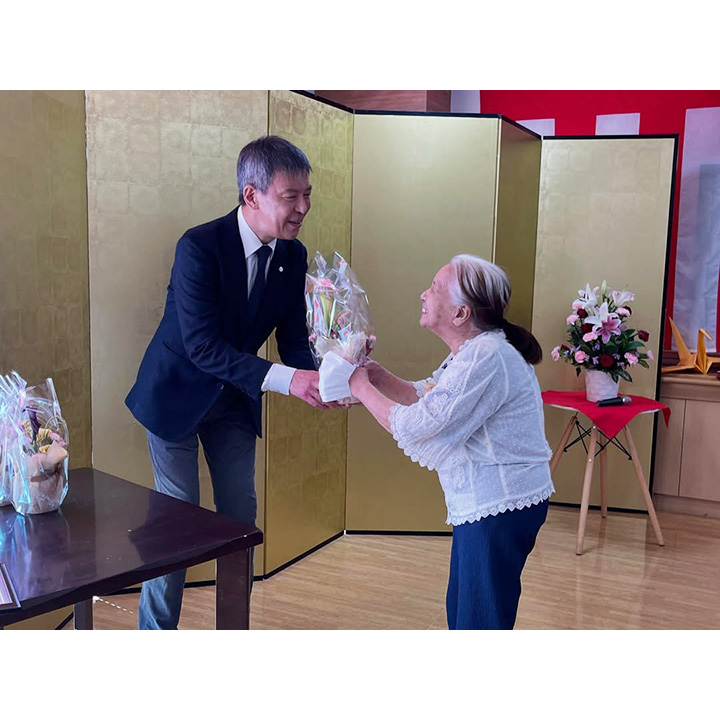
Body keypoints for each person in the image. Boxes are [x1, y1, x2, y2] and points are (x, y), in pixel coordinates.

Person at [125, 135, 328, 630]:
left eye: (307, 195)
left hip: (233, 398)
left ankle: (233, 634)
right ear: (251, 195)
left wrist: (332, 373)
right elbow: (203, 348)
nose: (303, 208)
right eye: (291, 197)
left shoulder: (293, 255)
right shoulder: (199, 247)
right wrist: (290, 381)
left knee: (240, 518)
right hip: (174, 395)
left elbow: (293, 342)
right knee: (177, 520)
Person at [348, 254, 555, 630]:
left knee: (478, 621)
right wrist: (375, 376)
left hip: (499, 505)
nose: (423, 294)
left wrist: (359, 387)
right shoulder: (476, 350)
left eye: (434, 288)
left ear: (461, 313)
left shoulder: (485, 356)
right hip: (493, 504)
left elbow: (420, 423)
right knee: (465, 612)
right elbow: (431, 397)